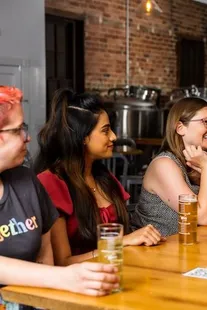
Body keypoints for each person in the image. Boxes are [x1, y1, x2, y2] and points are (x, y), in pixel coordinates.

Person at [0, 86, 120, 309]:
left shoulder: (27, 182)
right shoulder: (48, 180)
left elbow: (46, 258)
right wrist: (64, 278)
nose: (27, 138)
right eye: (18, 130)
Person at [34, 89, 164, 267]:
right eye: (105, 130)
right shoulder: (51, 182)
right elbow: (61, 263)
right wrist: (120, 243)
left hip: (117, 272)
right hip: (78, 284)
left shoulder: (103, 177)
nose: (114, 137)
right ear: (82, 137)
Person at [131, 97, 207, 236]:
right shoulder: (164, 164)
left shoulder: (203, 161)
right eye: (206, 122)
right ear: (180, 128)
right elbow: (203, 218)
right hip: (154, 253)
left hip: (189, 249)